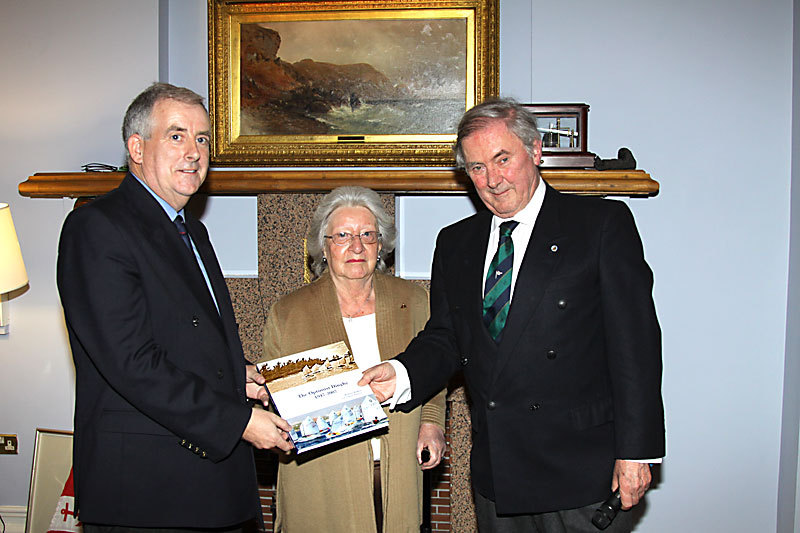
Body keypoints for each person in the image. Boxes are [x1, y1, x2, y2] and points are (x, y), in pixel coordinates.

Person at [359, 98, 665, 533]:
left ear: (535, 151)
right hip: (499, 474)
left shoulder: (600, 224)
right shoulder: (455, 242)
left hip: (583, 472)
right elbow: (447, 336)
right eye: (477, 168)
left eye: (503, 159)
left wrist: (637, 452)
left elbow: (636, 347)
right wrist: (401, 372)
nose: (492, 180)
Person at [56, 82, 293, 532]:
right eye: (177, 135)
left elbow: (181, 334)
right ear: (136, 147)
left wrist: (234, 369)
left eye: (202, 139)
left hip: (214, 488)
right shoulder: (96, 227)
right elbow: (131, 362)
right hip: (148, 493)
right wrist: (239, 421)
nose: (194, 152)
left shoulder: (190, 231)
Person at [260, 186, 447, 533]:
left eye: (367, 235)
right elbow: (272, 405)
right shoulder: (288, 314)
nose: (356, 246)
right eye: (343, 235)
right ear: (324, 246)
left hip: (398, 475)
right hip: (322, 483)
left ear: (381, 244)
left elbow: (434, 371)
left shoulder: (415, 301)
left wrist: (432, 423)